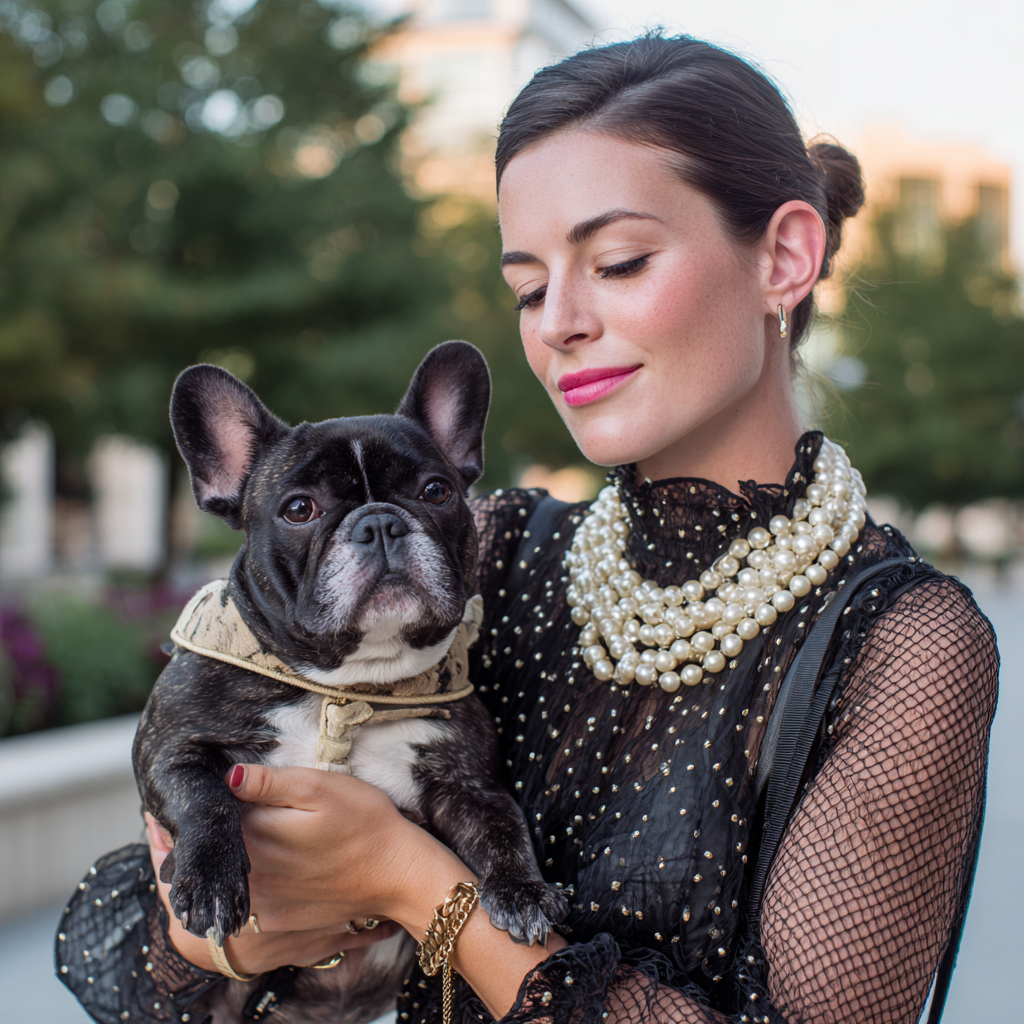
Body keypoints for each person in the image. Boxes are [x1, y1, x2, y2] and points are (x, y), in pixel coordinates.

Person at [59, 35, 998, 1024]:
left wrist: (411, 881)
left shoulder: (902, 644)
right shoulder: (489, 552)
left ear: (784, 256)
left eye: (618, 262)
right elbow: (131, 944)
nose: (559, 323)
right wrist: (224, 935)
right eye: (530, 288)